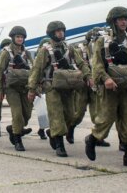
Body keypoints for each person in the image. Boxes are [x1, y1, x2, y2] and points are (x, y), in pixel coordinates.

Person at [84, 6, 127, 167]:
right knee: (106, 118)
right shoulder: (102, 41)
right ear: (113, 21)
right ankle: (92, 139)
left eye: (126, 19)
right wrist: (105, 79)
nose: (123, 22)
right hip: (111, 86)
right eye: (120, 19)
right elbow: (96, 64)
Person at [28, 21, 91, 157]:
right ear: (52, 33)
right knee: (56, 116)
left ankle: (53, 133)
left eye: (62, 30)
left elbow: (81, 63)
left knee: (70, 116)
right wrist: (32, 89)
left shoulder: (70, 48)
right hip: (52, 87)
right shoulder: (45, 50)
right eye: (57, 31)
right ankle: (59, 144)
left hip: (68, 86)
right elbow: (36, 70)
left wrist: (88, 76)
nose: (60, 33)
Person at [0, 26, 33, 151]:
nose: (20, 39)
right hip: (11, 89)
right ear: (13, 38)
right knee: (17, 114)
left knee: (26, 115)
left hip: (25, 87)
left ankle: (12, 129)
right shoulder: (6, 53)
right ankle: (17, 140)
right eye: (17, 37)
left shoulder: (26, 53)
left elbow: (34, 70)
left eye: (22, 37)